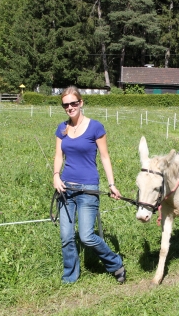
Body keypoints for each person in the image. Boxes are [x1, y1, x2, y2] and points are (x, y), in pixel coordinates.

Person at [53, 86, 126, 284]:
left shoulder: (96, 127)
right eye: (66, 104)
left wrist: (111, 184)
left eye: (73, 103)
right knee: (67, 237)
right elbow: (59, 155)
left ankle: (115, 263)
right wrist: (56, 176)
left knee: (86, 236)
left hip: (88, 189)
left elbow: (104, 156)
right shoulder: (62, 129)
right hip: (65, 189)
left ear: (81, 103)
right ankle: (70, 276)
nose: (70, 107)